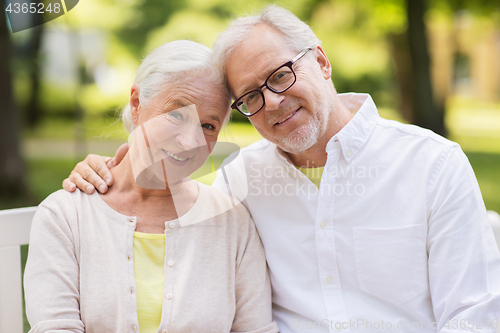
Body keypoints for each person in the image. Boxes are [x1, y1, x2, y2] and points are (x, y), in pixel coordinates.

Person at [63, 5, 500, 333]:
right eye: (250, 96)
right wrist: (102, 171)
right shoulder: (241, 180)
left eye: (280, 75)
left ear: (322, 62)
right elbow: (162, 187)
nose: (271, 102)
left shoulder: (432, 165)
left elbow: (473, 316)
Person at [24, 40, 279, 333]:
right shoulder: (65, 216)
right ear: (136, 105)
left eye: (208, 126)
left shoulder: (232, 222)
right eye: (176, 114)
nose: (188, 141)